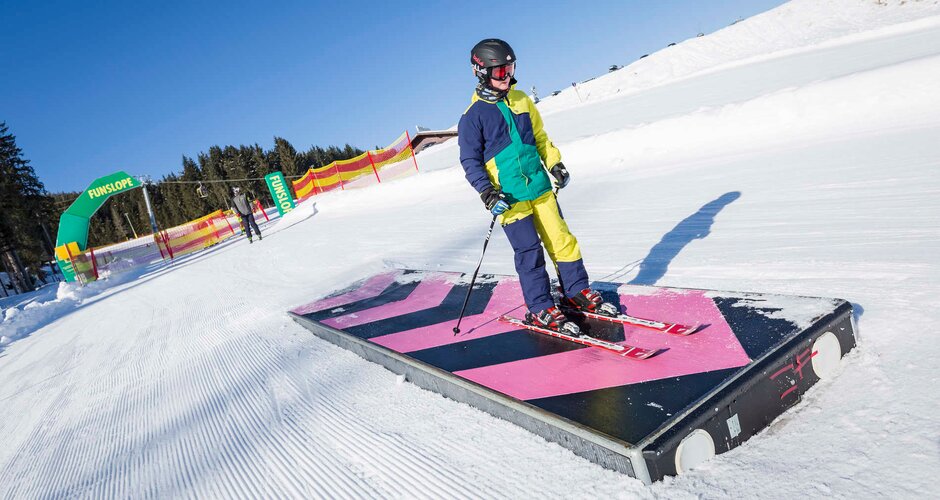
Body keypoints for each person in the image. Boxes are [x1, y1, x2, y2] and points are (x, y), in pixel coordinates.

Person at [458, 38, 618, 334]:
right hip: (509, 197)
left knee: (561, 239)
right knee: (529, 252)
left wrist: (554, 163)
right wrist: (487, 192)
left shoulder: (521, 100)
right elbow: (469, 161)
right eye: (500, 71)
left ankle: (575, 291)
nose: (507, 75)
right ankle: (540, 307)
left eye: (510, 68)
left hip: (541, 187)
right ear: (481, 73)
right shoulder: (473, 117)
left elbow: (541, 138)